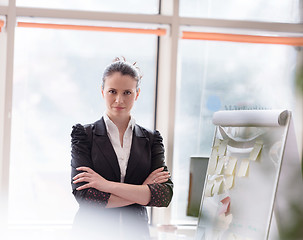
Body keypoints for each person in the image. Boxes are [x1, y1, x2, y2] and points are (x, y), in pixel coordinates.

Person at [70, 58, 173, 239]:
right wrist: (143, 190)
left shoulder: (151, 139)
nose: (119, 100)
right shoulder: (84, 135)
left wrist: (106, 185)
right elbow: (85, 195)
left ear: (137, 94)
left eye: (127, 92)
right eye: (112, 91)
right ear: (102, 92)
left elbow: (163, 195)